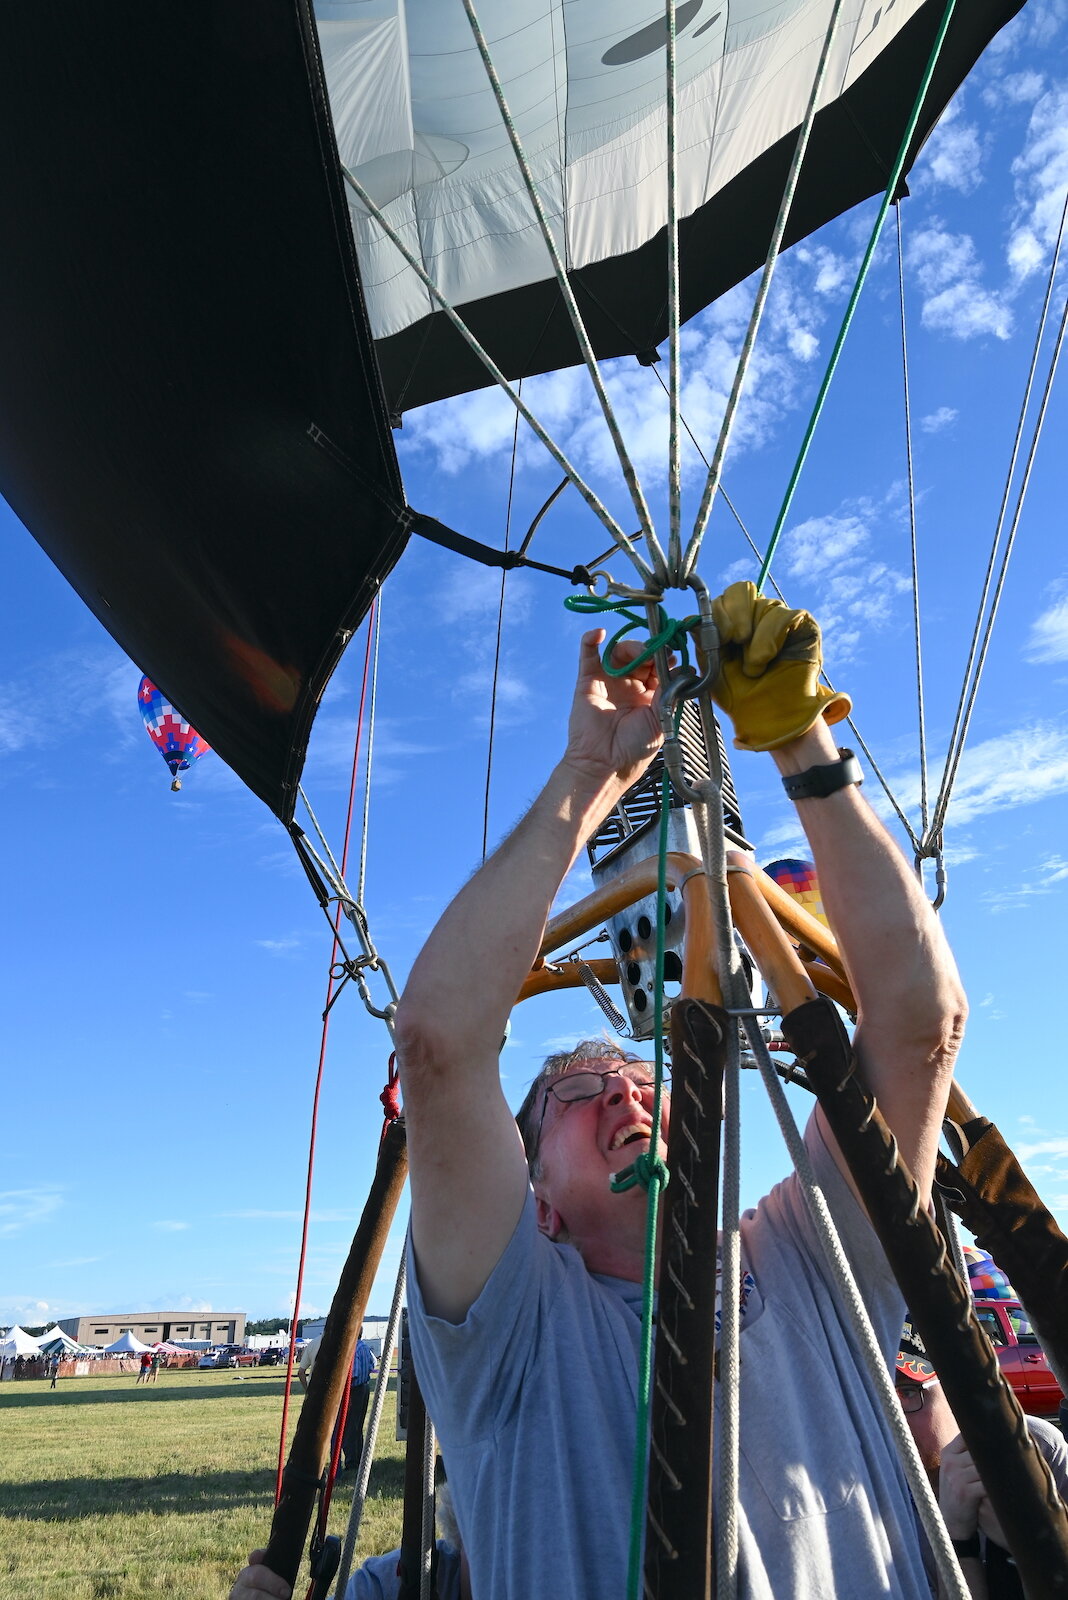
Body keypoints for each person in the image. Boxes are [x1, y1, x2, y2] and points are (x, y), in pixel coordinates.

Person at [387, 584, 967, 1599]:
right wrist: (590, 776)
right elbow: (440, 1042)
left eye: (640, 1071)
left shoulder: (812, 1255)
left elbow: (922, 1023)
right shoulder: (516, 1333)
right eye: (576, 1093)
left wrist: (797, 742)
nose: (624, 1092)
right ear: (538, 1207)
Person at [894, 1320, 1068, 1598]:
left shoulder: (1034, 1447)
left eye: (907, 1392)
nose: (893, 1419)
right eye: (877, 1399)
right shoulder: (876, 1500)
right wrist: (955, 1536)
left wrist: (1028, 1540)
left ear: (956, 1391)